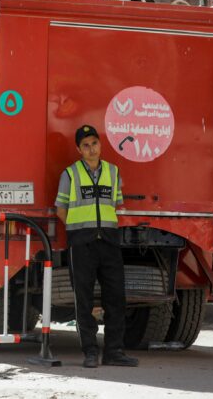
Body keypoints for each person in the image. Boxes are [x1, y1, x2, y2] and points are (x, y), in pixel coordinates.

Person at [55, 125, 139, 368]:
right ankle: (90, 352)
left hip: (110, 243)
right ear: (78, 149)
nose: (91, 149)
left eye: (94, 143)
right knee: (84, 300)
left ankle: (114, 352)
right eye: (85, 145)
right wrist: (78, 227)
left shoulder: (113, 172)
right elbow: (61, 210)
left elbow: (116, 205)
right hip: (81, 244)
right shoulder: (69, 174)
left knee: (116, 298)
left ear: (100, 145)